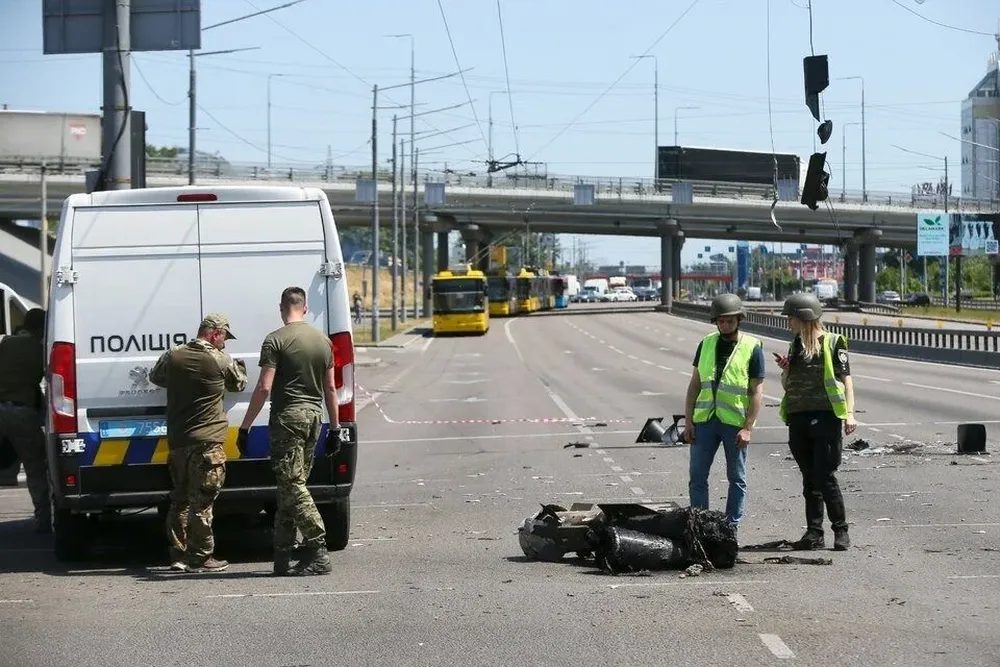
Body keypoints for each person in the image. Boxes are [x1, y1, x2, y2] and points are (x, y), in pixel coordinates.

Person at [238, 286, 341, 577]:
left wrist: (245, 426)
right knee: (289, 488)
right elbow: (330, 388)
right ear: (304, 308)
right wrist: (335, 429)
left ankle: (318, 547)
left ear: (282, 308)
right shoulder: (323, 341)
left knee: (293, 484)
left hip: (288, 419)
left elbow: (264, 387)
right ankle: (282, 557)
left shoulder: (275, 341)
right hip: (314, 418)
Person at [150, 312, 248, 572]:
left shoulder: (174, 355)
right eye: (224, 337)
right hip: (207, 444)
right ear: (215, 333)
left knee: (179, 499)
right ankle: (202, 557)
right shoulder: (219, 359)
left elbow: (156, 377)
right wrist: (241, 366)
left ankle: (178, 555)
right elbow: (238, 384)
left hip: (179, 441)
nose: (225, 342)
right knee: (202, 502)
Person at [775, 293, 856, 551]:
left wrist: (850, 414)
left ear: (804, 318)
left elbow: (847, 381)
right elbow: (788, 385)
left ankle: (841, 531)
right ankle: (814, 532)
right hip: (798, 416)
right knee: (809, 478)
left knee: (825, 475)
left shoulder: (834, 342)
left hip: (826, 416)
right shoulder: (794, 345)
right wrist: (786, 369)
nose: (788, 322)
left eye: (791, 317)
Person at [683, 293, 765, 533]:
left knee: (736, 479)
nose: (725, 325)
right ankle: (700, 526)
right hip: (705, 421)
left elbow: (756, 392)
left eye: (730, 320)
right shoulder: (706, 343)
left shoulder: (752, 347)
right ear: (715, 321)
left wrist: (748, 427)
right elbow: (695, 385)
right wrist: (688, 421)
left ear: (739, 319)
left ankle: (730, 528)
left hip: (734, 423)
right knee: (697, 477)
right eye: (721, 321)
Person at [0, 308, 50, 532]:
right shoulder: (41, 350)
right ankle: (43, 517)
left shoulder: (7, 343)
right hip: (22, 413)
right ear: (41, 329)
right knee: (35, 466)